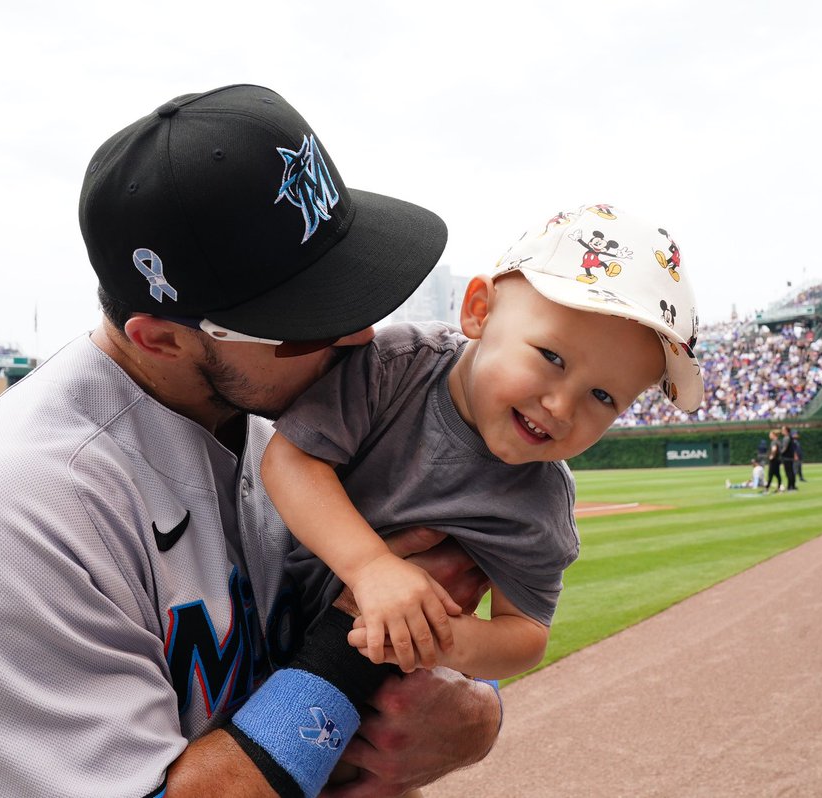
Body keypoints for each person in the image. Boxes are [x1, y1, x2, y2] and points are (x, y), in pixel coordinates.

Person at [0, 84, 500, 798]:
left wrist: (475, 714)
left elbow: (439, 685)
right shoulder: (11, 511)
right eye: (308, 318)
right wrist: (352, 648)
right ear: (161, 338)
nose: (359, 334)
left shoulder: (310, 406)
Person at [261, 205, 703, 680]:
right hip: (256, 623)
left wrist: (443, 638)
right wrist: (371, 568)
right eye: (551, 356)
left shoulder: (543, 499)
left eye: (603, 396)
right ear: (479, 312)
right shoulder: (397, 366)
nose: (561, 406)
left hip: (367, 685)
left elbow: (527, 633)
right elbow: (289, 459)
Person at [780, 424, 798, 491]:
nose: (781, 431)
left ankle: (790, 486)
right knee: (791, 472)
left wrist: (780, 452)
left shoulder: (786, 438)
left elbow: (784, 448)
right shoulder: (790, 437)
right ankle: (792, 485)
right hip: (790, 457)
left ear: (786, 431)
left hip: (786, 457)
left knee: (788, 472)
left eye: (783, 430)